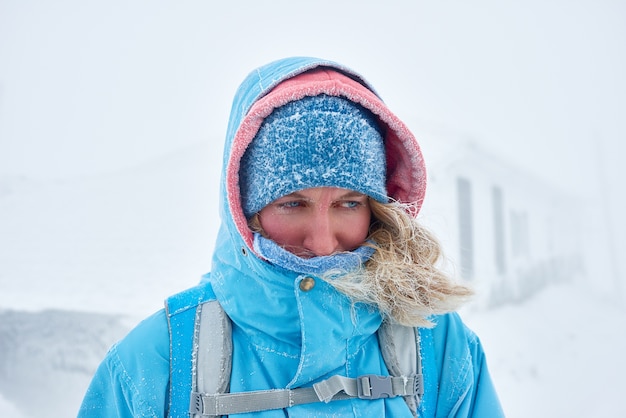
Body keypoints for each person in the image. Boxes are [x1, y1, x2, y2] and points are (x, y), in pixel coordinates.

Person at [78, 56, 504, 417]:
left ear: (378, 208)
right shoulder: (159, 361)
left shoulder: (436, 343)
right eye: (292, 204)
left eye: (349, 203)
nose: (321, 242)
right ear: (244, 208)